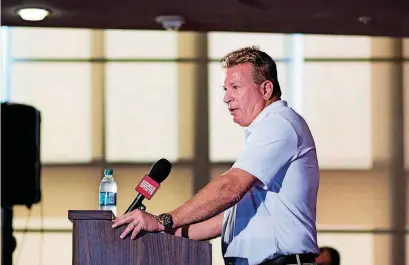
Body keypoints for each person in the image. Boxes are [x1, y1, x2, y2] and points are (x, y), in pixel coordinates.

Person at [112, 46, 320, 265]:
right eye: (225, 89)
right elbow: (226, 220)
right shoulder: (264, 132)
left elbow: (229, 188)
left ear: (266, 90)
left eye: (236, 87)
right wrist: (156, 229)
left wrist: (162, 221)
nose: (227, 98)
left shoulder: (279, 125)